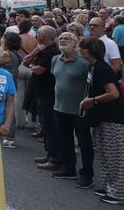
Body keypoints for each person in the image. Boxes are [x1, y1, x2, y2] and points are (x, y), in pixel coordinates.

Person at [78, 37, 124, 204]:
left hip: (113, 118)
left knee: (115, 155)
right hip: (103, 117)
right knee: (105, 154)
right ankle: (109, 186)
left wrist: (93, 100)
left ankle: (118, 192)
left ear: (91, 50)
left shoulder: (102, 68)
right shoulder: (95, 66)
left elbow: (114, 93)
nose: (80, 50)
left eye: (83, 48)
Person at [50, 31, 93, 187]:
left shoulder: (84, 62)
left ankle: (87, 175)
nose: (62, 40)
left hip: (79, 110)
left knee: (84, 143)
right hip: (59, 107)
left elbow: (92, 83)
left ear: (75, 42)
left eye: (66, 38)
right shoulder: (55, 59)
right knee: (65, 140)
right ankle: (68, 169)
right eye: (60, 38)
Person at [24, 26, 62, 171]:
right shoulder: (42, 50)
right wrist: (35, 53)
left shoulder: (52, 52)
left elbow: (39, 70)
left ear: (42, 36)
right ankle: (49, 153)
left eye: (38, 33)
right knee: (45, 124)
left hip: (48, 93)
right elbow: (26, 62)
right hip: (40, 92)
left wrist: (33, 65)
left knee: (51, 125)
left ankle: (55, 157)